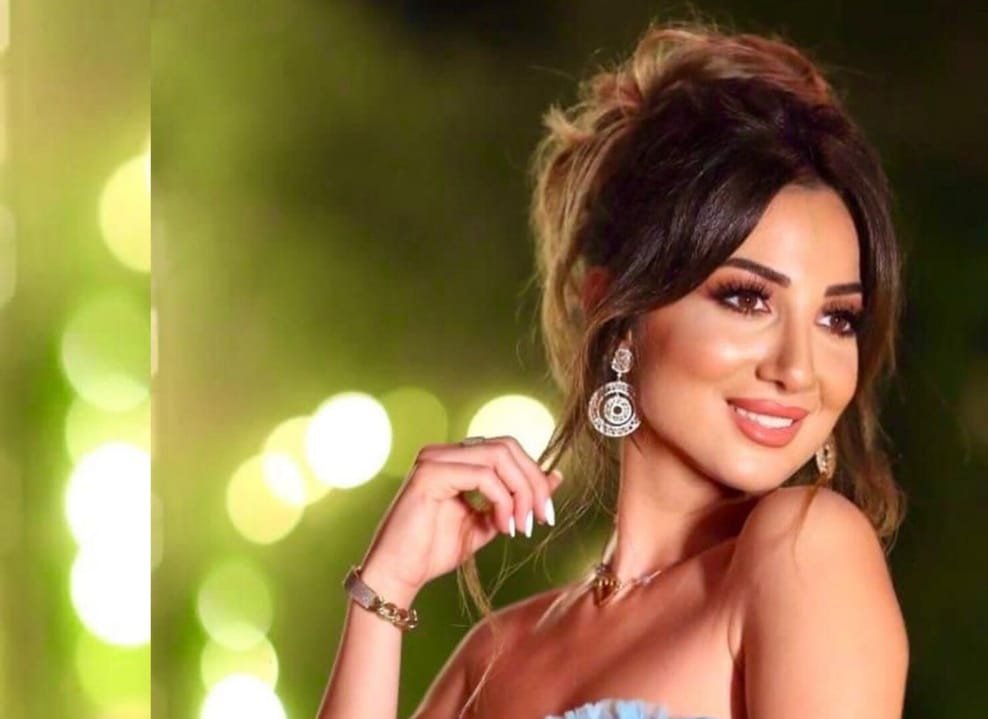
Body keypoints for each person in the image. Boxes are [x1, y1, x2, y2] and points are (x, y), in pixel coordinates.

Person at [317, 19, 908, 719]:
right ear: (616, 307)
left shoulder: (808, 549)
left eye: (837, 318)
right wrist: (384, 592)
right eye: (747, 299)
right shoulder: (494, 653)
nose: (798, 370)